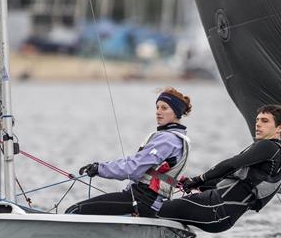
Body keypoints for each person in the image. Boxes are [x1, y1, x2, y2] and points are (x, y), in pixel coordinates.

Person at [157, 105, 281, 233]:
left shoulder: (268, 146)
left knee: (151, 208)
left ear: (279, 128)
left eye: (265, 121)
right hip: (221, 215)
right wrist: (197, 184)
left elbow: (231, 165)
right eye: (257, 120)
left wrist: (198, 179)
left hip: (213, 208)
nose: (258, 124)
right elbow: (235, 183)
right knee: (163, 209)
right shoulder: (272, 155)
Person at [66, 87, 192, 217]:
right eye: (157, 107)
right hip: (150, 202)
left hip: (142, 200)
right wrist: (182, 181)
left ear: (177, 113)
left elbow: (133, 168)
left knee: (73, 212)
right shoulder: (178, 138)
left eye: (164, 108)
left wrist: (99, 169)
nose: (158, 112)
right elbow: (160, 172)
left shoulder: (167, 139)